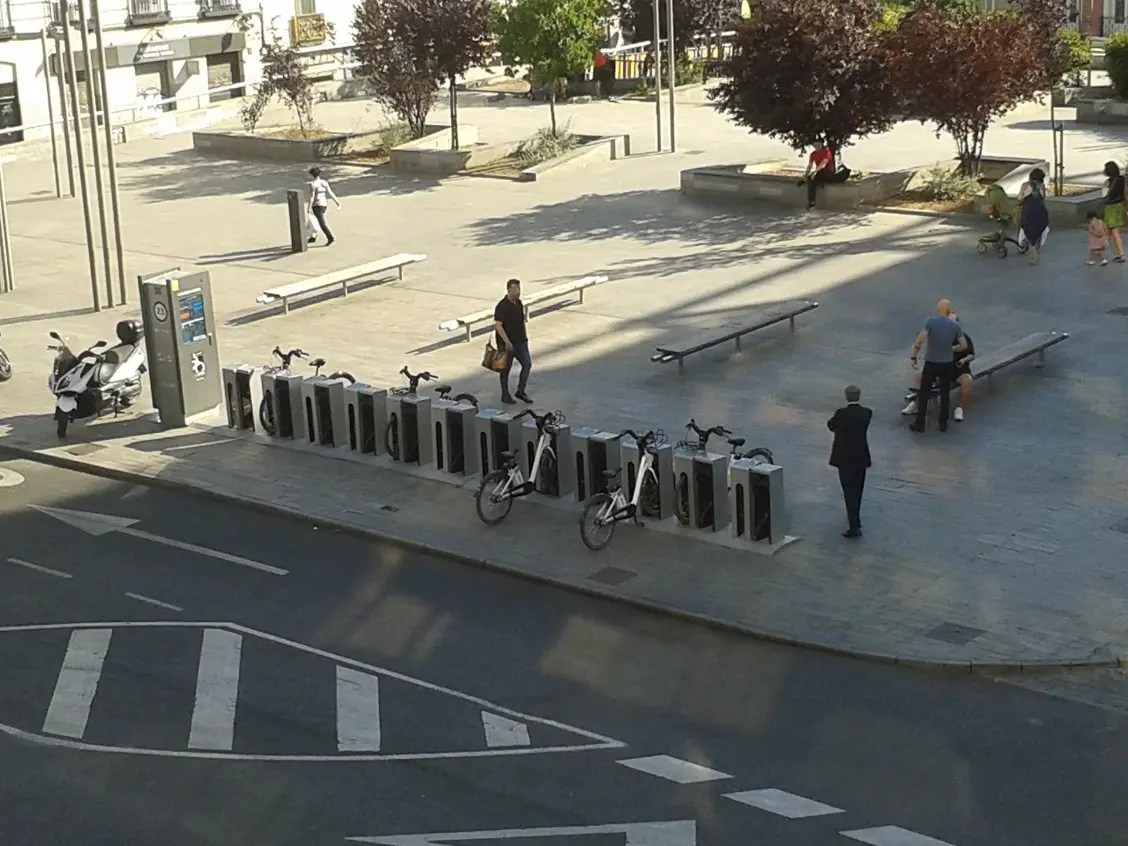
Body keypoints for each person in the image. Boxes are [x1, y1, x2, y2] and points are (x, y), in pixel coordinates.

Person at [901, 313, 975, 423]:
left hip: (957, 371)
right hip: (939, 368)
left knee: (967, 381)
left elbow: (971, 354)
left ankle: (960, 408)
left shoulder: (964, 338)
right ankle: (916, 403)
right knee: (918, 376)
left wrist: (963, 360)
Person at [909, 298, 966, 434]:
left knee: (924, 393)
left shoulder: (931, 322)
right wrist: (951, 349)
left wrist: (914, 354)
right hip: (946, 364)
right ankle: (943, 424)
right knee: (945, 393)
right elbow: (964, 345)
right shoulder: (954, 326)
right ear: (948, 311)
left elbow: (920, 340)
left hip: (931, 362)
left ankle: (920, 423)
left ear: (938, 309)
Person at [827, 385, 872, 539]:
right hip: (860, 455)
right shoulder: (866, 413)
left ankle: (854, 524)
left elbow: (830, 425)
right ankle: (855, 515)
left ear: (846, 396)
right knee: (858, 488)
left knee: (848, 490)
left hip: (844, 456)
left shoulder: (841, 414)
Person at [493, 278, 533, 405]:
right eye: (515, 289)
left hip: (521, 342)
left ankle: (520, 391)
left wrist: (525, 337)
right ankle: (505, 394)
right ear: (509, 290)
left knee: (527, 364)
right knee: (505, 370)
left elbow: (521, 322)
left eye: (519, 289)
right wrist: (507, 342)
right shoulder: (502, 306)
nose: (518, 292)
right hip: (507, 345)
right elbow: (498, 325)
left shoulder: (519, 303)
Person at [801, 138, 851, 210]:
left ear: (822, 145)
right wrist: (806, 174)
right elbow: (810, 165)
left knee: (816, 176)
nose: (817, 147)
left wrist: (814, 172)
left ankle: (812, 202)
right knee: (811, 180)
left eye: (818, 145)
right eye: (815, 146)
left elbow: (823, 164)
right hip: (819, 172)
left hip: (828, 172)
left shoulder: (826, 152)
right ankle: (812, 202)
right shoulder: (813, 154)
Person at [1017, 167, 1049, 266]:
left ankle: (1034, 254)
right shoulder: (1042, 186)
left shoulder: (1025, 185)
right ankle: (1036, 253)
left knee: (1029, 231)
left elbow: (1020, 198)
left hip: (1029, 211)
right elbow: (1043, 198)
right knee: (1039, 231)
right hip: (1041, 211)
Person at [306, 167, 341, 246]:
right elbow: (330, 192)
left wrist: (308, 207)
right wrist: (337, 202)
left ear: (312, 175)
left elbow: (311, 197)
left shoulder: (313, 184)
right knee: (315, 221)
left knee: (321, 223)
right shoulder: (324, 182)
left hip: (316, 206)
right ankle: (313, 237)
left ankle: (330, 237)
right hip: (324, 205)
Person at [1102, 161, 1127, 263]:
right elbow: (1124, 193)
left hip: (1111, 207)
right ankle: (1101, 251)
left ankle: (1121, 254)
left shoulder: (1108, 182)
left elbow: (1104, 195)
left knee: (1113, 230)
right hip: (1120, 205)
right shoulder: (1122, 179)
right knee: (1109, 231)